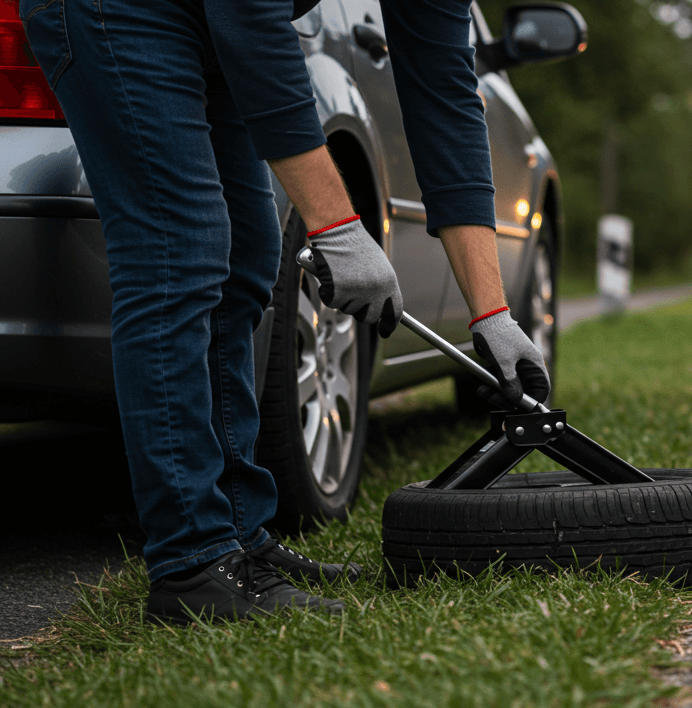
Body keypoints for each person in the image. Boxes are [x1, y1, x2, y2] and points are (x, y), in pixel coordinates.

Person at [19, 0, 550, 623]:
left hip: (209, 23)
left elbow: (445, 102)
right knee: (178, 251)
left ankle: (239, 537)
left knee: (248, 259)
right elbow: (248, 13)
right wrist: (339, 228)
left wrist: (493, 316)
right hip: (118, 12)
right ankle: (193, 562)